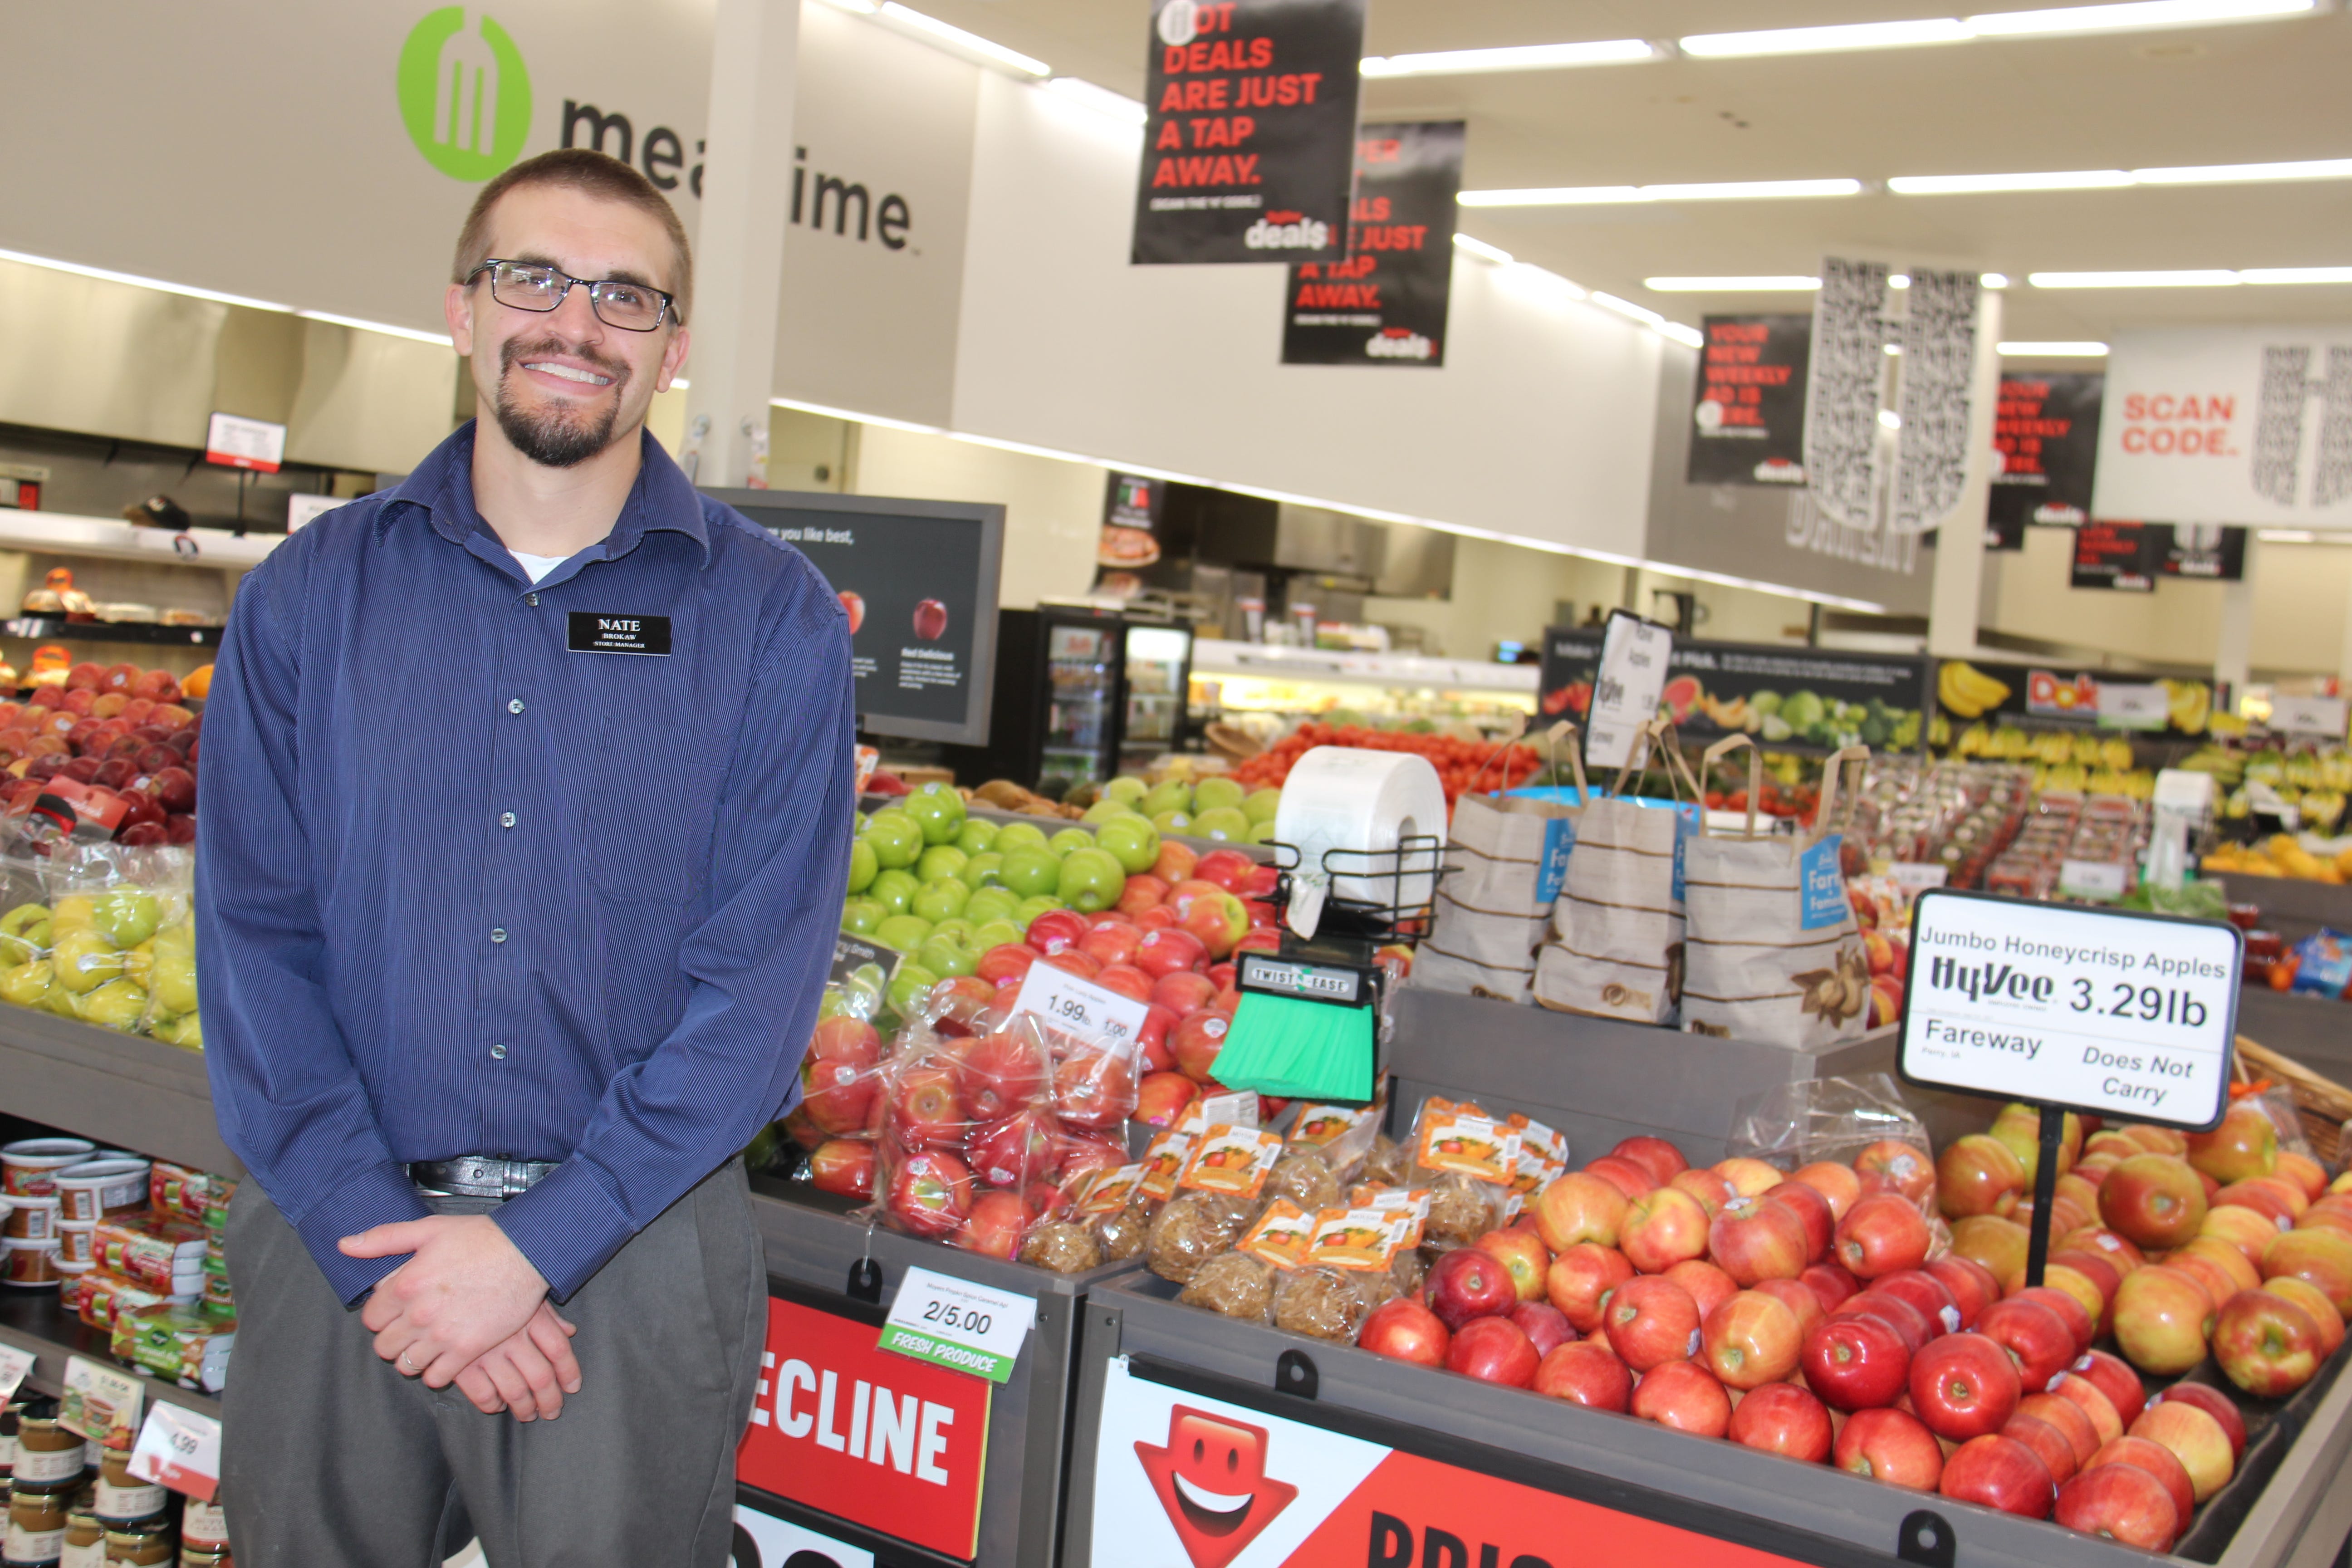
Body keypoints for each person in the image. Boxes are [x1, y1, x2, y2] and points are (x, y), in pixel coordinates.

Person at [195, 148, 856, 1567]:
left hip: (634, 1249)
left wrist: (532, 1251)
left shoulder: (773, 618)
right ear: (461, 308)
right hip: (341, 1237)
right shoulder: (312, 595)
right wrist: (387, 1242)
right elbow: (255, 936)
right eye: (534, 278)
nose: (576, 323)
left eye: (627, 296)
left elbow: (758, 988)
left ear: (672, 351)